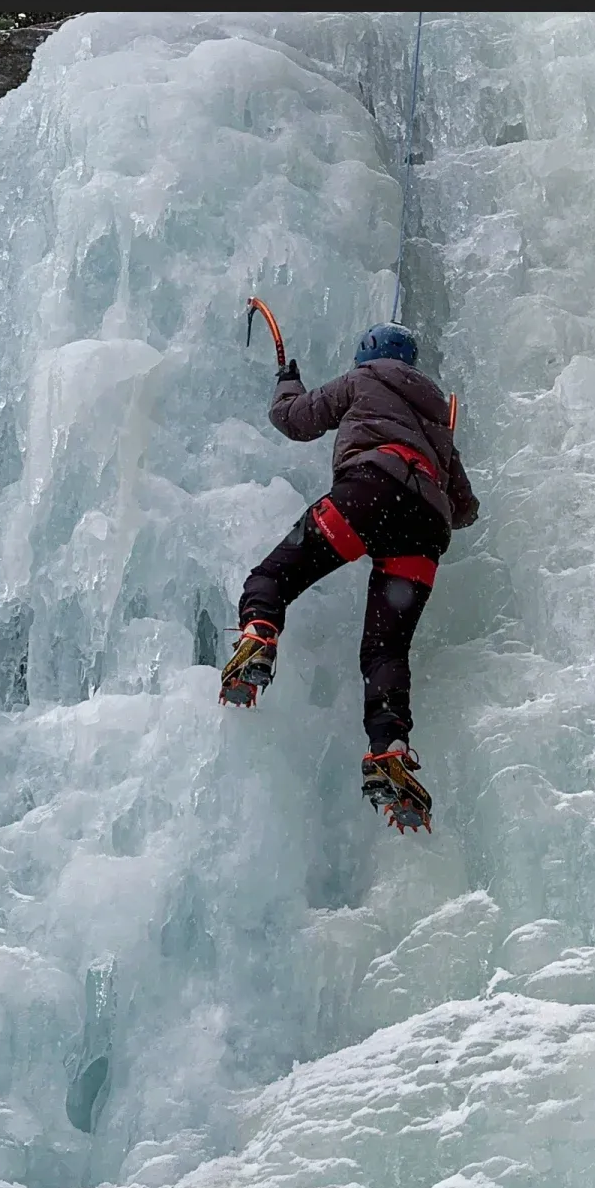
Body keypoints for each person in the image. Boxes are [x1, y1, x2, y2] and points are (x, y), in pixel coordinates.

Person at [220, 322, 479, 832]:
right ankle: (389, 749)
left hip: (370, 491)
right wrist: (435, 458)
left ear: (367, 355)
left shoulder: (364, 379)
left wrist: (286, 382)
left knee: (272, 578)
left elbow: (294, 419)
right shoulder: (437, 415)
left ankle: (260, 634)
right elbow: (465, 508)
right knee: (386, 651)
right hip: (426, 526)